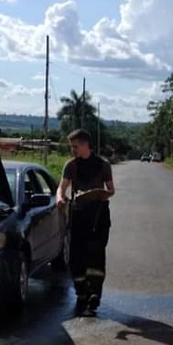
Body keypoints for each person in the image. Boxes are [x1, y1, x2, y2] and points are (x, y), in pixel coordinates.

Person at [55, 129, 115, 315]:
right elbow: (61, 187)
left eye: (75, 146)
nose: (72, 150)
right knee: (76, 257)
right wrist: (60, 198)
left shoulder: (103, 165)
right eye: (71, 147)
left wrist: (100, 194)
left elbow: (111, 190)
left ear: (86, 145)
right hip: (78, 215)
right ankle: (81, 293)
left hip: (99, 216)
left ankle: (94, 293)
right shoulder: (71, 165)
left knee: (96, 255)